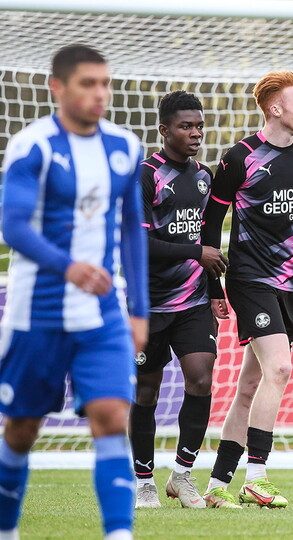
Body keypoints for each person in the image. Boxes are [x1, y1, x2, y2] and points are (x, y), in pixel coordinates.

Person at [0, 44, 148, 540]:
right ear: (57, 88)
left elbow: (131, 231)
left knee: (110, 415)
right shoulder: (33, 146)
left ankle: (118, 534)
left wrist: (139, 311)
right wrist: (68, 268)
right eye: (88, 83)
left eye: (105, 83)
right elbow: (14, 226)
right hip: (35, 314)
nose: (100, 93)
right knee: (21, 430)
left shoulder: (125, 148)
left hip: (101, 315)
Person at [199, 71, 293, 509]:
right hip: (249, 279)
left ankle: (217, 485)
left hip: (291, 282)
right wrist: (215, 287)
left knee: (250, 385)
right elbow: (210, 226)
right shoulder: (239, 158)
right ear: (275, 108)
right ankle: (257, 476)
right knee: (280, 369)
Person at [131, 90, 231, 509]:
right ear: (164, 130)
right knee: (146, 394)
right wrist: (196, 254)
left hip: (192, 301)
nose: (195, 134)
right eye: (186, 127)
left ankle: (182, 475)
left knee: (202, 379)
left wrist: (215, 291)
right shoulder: (144, 176)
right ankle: (143, 482)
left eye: (199, 126)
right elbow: (137, 243)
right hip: (148, 305)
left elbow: (208, 240)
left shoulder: (204, 176)